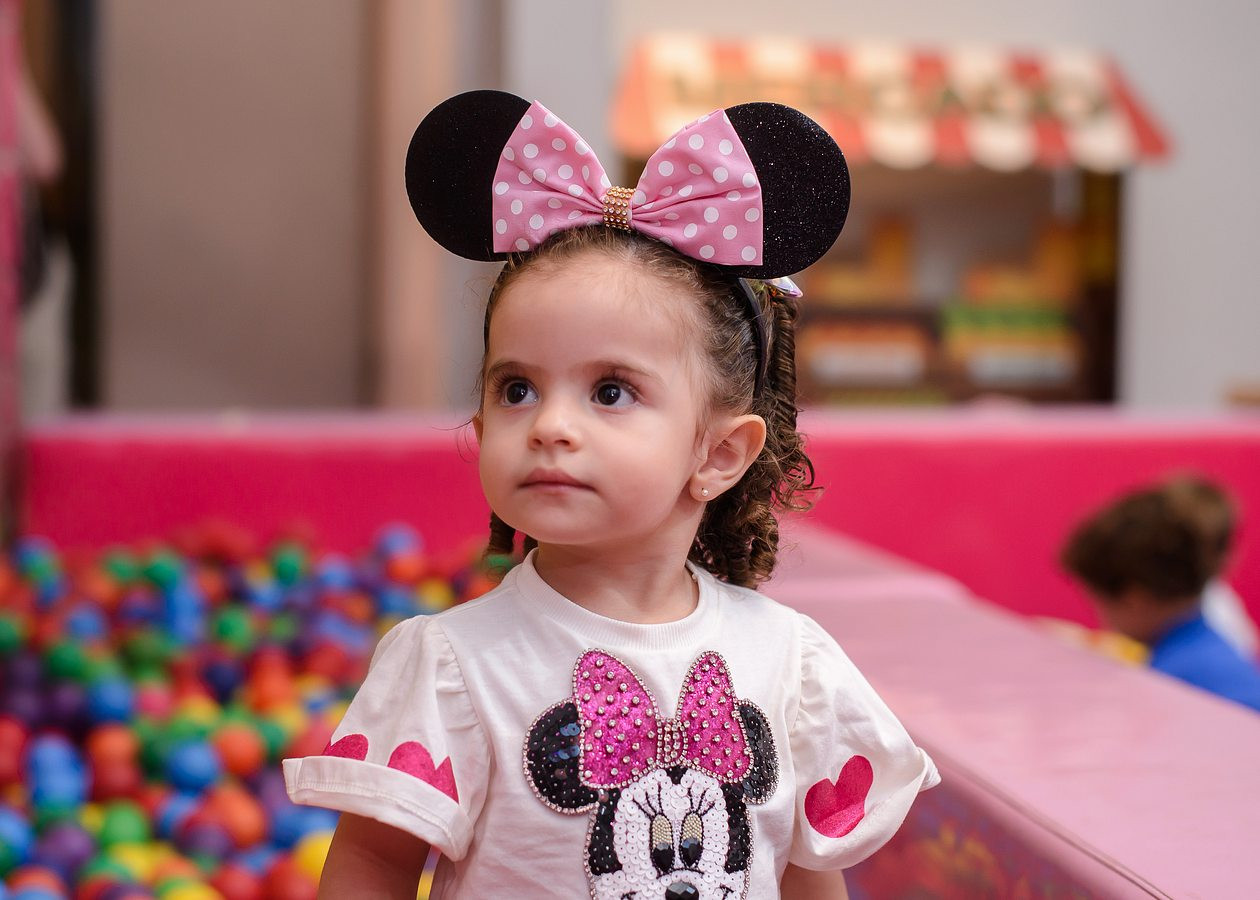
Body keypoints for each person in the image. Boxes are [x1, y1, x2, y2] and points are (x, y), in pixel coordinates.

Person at [284, 91, 938, 899]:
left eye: (611, 392)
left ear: (718, 453)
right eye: (517, 389)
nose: (550, 425)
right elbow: (372, 868)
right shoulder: (453, 665)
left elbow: (808, 876)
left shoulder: (791, 663)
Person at [1061, 478, 1260, 713]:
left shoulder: (1173, 681)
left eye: (1099, 602)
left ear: (1133, 598)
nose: (1102, 618)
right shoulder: (1209, 646)